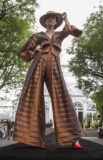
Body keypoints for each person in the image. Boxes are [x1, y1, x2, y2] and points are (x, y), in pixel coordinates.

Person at [13, 11, 83, 149]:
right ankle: (37, 140)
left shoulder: (59, 35)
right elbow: (23, 51)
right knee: (34, 99)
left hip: (54, 66)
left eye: (53, 18)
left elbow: (69, 30)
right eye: (48, 18)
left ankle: (74, 139)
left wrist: (66, 18)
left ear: (56, 22)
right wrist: (34, 53)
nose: (50, 20)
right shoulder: (38, 36)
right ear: (45, 21)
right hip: (38, 64)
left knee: (63, 97)